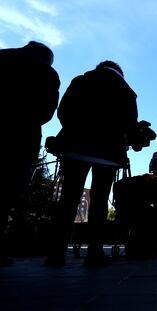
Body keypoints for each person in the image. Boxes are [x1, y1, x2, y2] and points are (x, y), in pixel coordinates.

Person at [45, 60, 139, 267]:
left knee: (68, 200)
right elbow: (130, 124)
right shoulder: (125, 90)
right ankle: (94, 252)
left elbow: (64, 112)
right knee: (100, 200)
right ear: (120, 72)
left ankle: (56, 253)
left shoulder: (80, 81)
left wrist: (76, 131)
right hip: (108, 152)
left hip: (75, 148)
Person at [0, 41, 60, 266]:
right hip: (20, 138)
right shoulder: (47, 74)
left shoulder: (2, 57)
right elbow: (47, 111)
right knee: (6, 192)